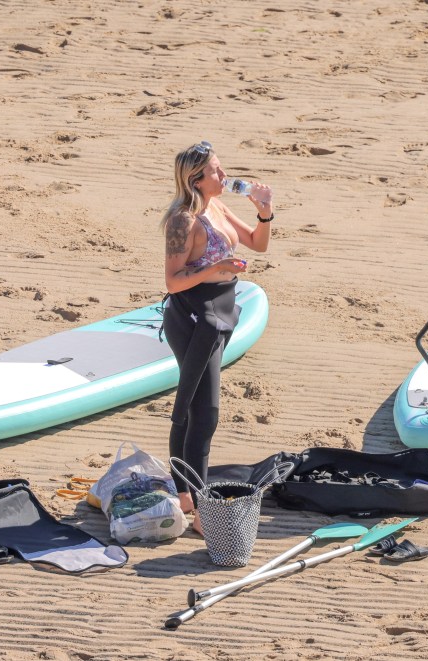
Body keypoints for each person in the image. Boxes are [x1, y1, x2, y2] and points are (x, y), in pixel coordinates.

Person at [160, 140, 273, 532]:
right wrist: (216, 267)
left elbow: (258, 244)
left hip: (222, 312)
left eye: (222, 169)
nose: (224, 176)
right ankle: (199, 508)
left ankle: (188, 497)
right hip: (192, 317)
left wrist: (264, 212)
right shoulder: (183, 220)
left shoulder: (220, 206)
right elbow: (173, 282)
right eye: (216, 172)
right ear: (195, 179)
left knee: (197, 409)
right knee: (201, 412)